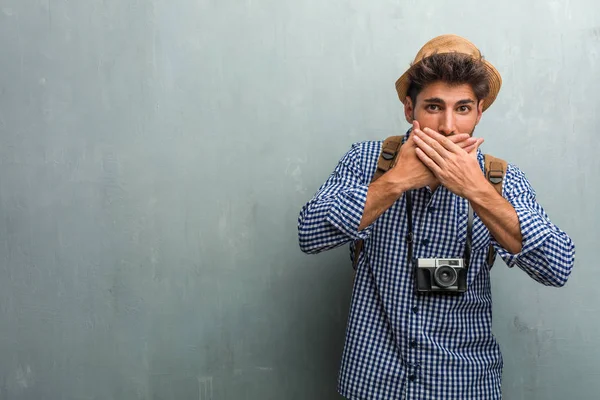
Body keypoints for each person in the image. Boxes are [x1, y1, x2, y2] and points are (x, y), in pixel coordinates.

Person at [297, 34, 575, 399]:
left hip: (461, 383)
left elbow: (558, 266)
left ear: (479, 112)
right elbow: (309, 234)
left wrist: (476, 190)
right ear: (409, 110)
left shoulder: (500, 178)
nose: (447, 126)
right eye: (433, 107)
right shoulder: (367, 161)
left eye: (462, 108)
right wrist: (396, 182)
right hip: (374, 383)